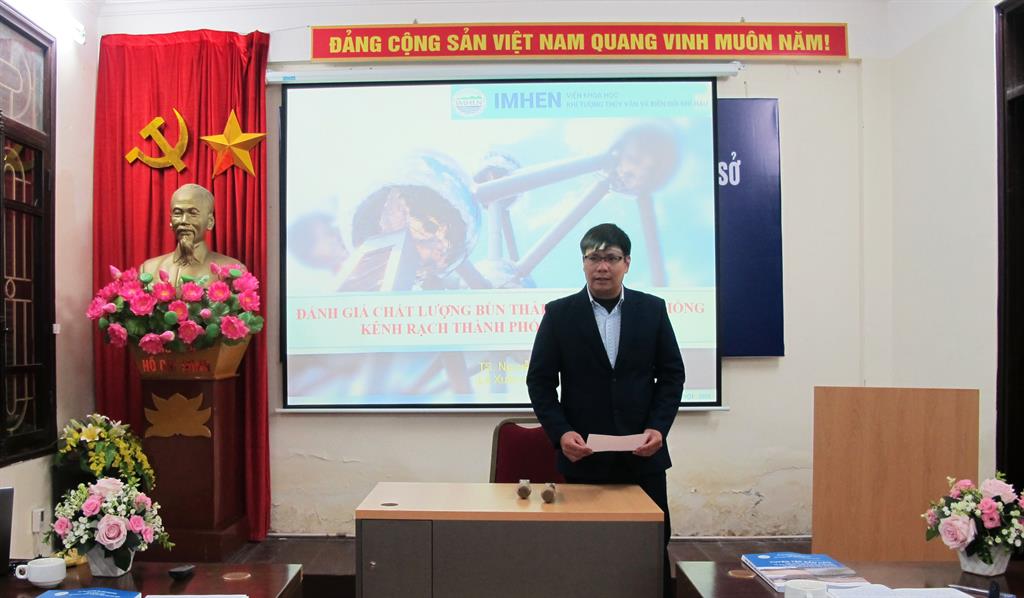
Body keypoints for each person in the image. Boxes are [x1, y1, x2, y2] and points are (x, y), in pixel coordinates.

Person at [526, 223, 685, 598]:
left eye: (611, 258)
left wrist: (659, 428)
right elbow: (540, 382)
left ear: (626, 262)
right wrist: (561, 433)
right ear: (583, 263)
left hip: (642, 457)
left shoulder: (652, 310)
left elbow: (672, 376)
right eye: (594, 258)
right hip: (584, 458)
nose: (602, 267)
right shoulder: (559, 314)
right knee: (584, 551)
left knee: (649, 549)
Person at [141, 183, 244, 284]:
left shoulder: (232, 271)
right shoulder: (149, 269)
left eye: (193, 213)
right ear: (171, 221)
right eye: (178, 213)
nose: (184, 221)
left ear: (210, 222)